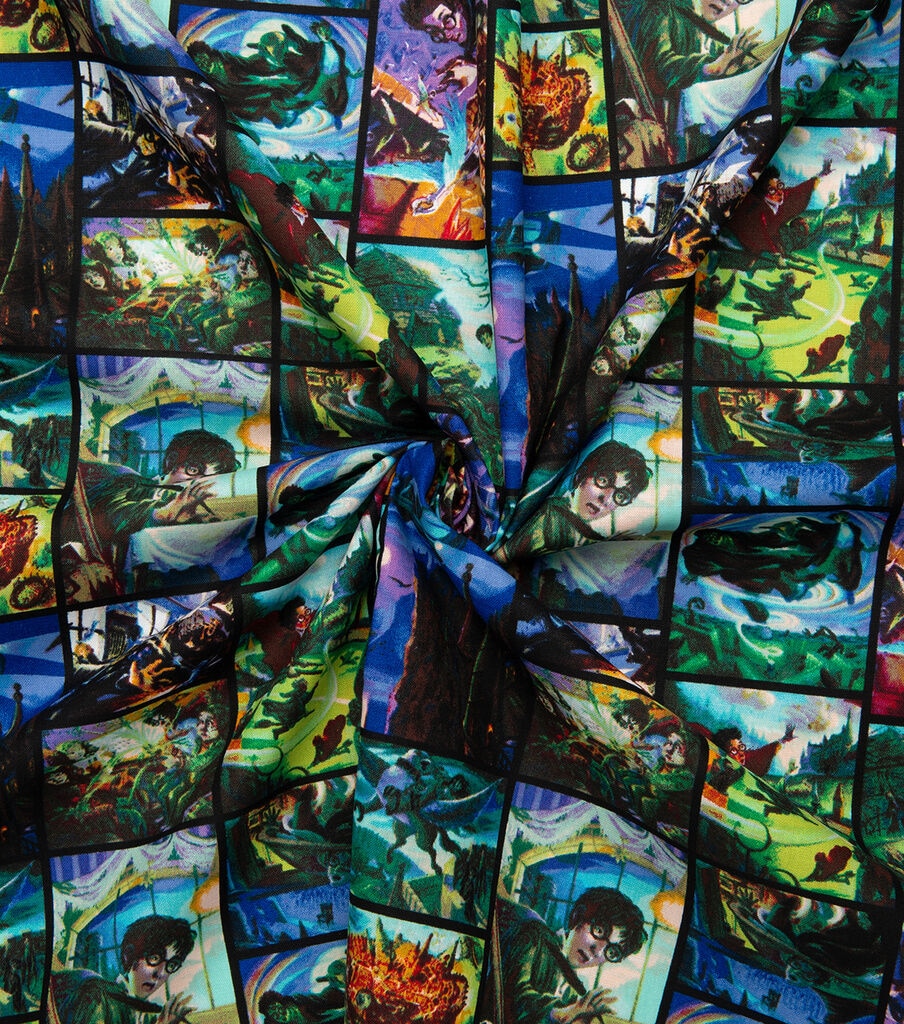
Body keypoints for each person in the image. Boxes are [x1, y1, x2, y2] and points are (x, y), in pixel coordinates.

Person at [494, 887, 647, 1024]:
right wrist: (559, 1014)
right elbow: (513, 999)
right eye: (599, 931)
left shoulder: (572, 992)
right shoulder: (535, 938)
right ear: (577, 917)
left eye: (611, 952)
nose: (597, 951)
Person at [497, 441, 651, 560]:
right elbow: (502, 558)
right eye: (603, 481)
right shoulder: (550, 516)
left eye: (620, 496)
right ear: (581, 475)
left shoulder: (594, 538)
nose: (606, 499)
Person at [49, 914, 195, 1024]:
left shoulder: (148, 1017)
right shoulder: (98, 996)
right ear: (128, 955)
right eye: (154, 958)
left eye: (171, 965)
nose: (160, 973)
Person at [729, 160, 832, 257]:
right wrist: (776, 253)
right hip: (748, 240)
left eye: (779, 185)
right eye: (772, 190)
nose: (779, 192)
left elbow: (803, 189)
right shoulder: (759, 211)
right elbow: (762, 236)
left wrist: (822, 174)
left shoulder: (785, 195)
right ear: (763, 194)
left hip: (776, 238)